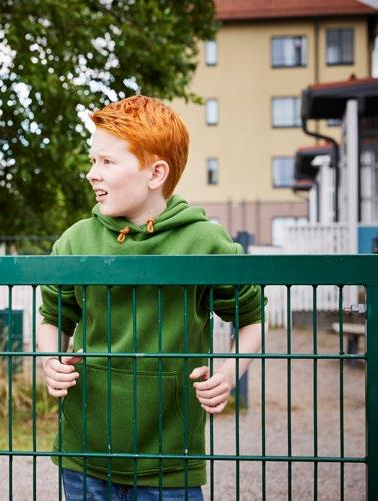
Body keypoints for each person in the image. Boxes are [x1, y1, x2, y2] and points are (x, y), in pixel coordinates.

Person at [37, 95, 266, 500]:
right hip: (84, 454)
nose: (92, 173)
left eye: (107, 162)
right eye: (92, 161)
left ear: (156, 173)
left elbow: (251, 319)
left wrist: (229, 374)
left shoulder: (205, 242)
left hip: (170, 462)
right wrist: (50, 360)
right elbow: (54, 318)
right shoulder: (75, 240)